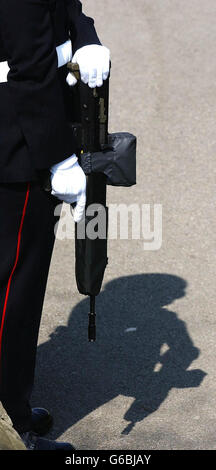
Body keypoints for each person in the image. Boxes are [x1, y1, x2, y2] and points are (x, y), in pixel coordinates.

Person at [0, 0, 110, 450]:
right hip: (18, 137)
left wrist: (86, 40)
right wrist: (59, 157)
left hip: (21, 129)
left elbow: (64, 7)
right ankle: (9, 425)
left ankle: (14, 407)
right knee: (13, 292)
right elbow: (29, 64)